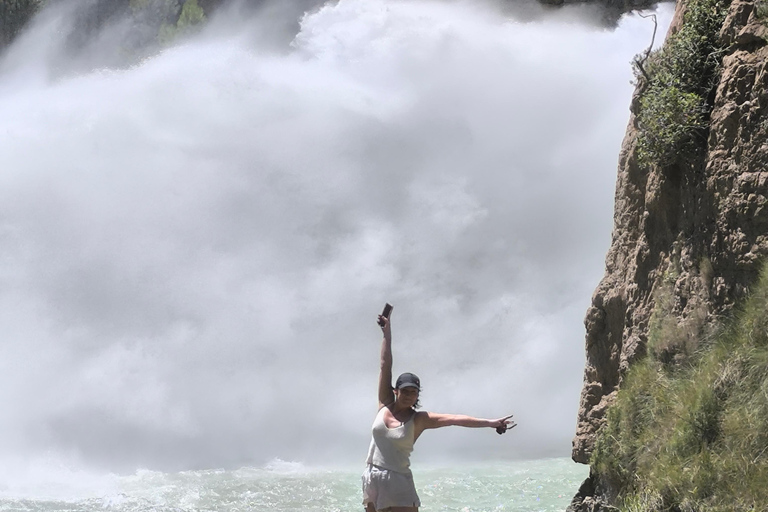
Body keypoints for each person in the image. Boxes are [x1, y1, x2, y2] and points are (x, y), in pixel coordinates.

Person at [362, 309, 516, 512]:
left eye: (414, 392)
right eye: (405, 390)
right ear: (396, 391)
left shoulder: (419, 419)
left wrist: (491, 423)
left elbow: (455, 419)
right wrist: (387, 333)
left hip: (398, 480)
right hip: (372, 476)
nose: (409, 395)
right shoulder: (384, 403)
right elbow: (385, 365)